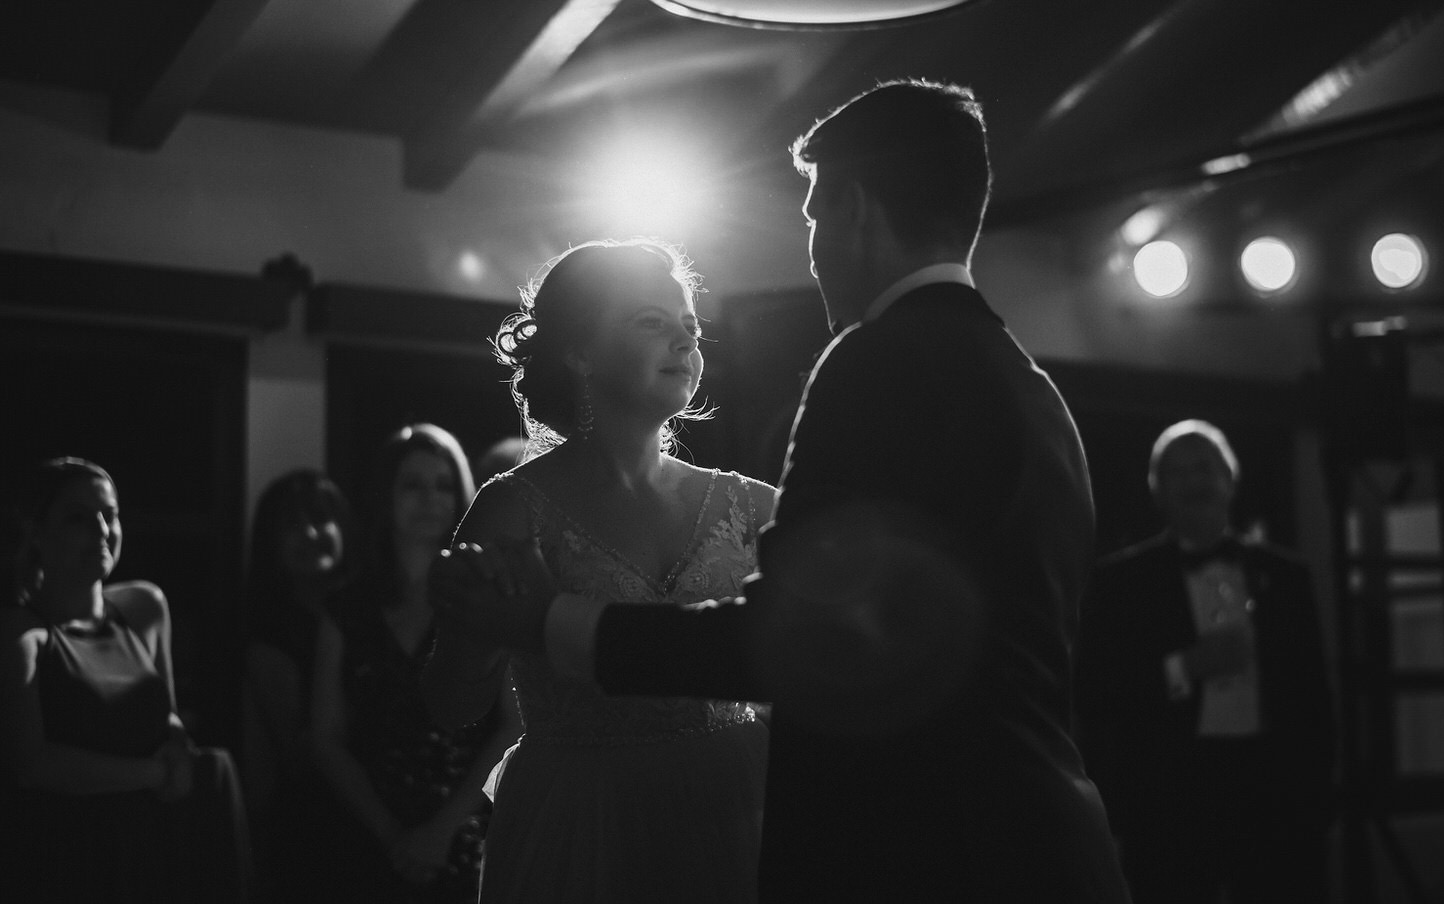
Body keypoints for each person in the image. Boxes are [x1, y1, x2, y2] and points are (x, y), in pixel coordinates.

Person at [431, 81, 1132, 902]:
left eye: (813, 217)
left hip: (930, 848)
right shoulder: (1031, 389)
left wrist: (549, 621)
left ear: (857, 210)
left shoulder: (875, 365)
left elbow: (786, 641)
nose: (812, 247)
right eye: (651, 320)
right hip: (1027, 839)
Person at [423, 238, 775, 903]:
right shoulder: (512, 509)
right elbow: (450, 709)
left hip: (734, 810)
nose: (683, 339)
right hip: (581, 825)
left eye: (691, 327)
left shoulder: (755, 507)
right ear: (578, 352)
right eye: (652, 322)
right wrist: (473, 629)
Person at [1076, 419, 1335, 904]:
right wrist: (1183, 668)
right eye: (1178, 472)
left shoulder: (1287, 576)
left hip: (1272, 794)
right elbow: (1098, 691)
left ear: (1231, 479)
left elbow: (1313, 696)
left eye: (1205, 468)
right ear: (1157, 490)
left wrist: (1316, 798)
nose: (1194, 481)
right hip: (1172, 796)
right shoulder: (1121, 585)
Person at [0, 457, 252, 902]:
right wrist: (152, 773)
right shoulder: (24, 634)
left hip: (154, 843)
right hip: (72, 855)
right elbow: (31, 763)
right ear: (36, 532)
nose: (100, 530)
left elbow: (166, 715)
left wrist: (178, 752)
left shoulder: (144, 608)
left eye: (109, 515)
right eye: (78, 517)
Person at [309, 424, 510, 903]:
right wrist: (390, 833)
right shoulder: (347, 609)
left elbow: (512, 727)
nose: (430, 498)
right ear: (387, 495)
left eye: (443, 485)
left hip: (463, 838)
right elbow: (324, 738)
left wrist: (441, 830)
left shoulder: (486, 603)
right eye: (412, 484)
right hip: (365, 838)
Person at [240, 469, 359, 902]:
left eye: (321, 519)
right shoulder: (266, 639)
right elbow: (300, 756)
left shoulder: (371, 615)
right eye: (292, 525)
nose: (310, 533)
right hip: (313, 830)